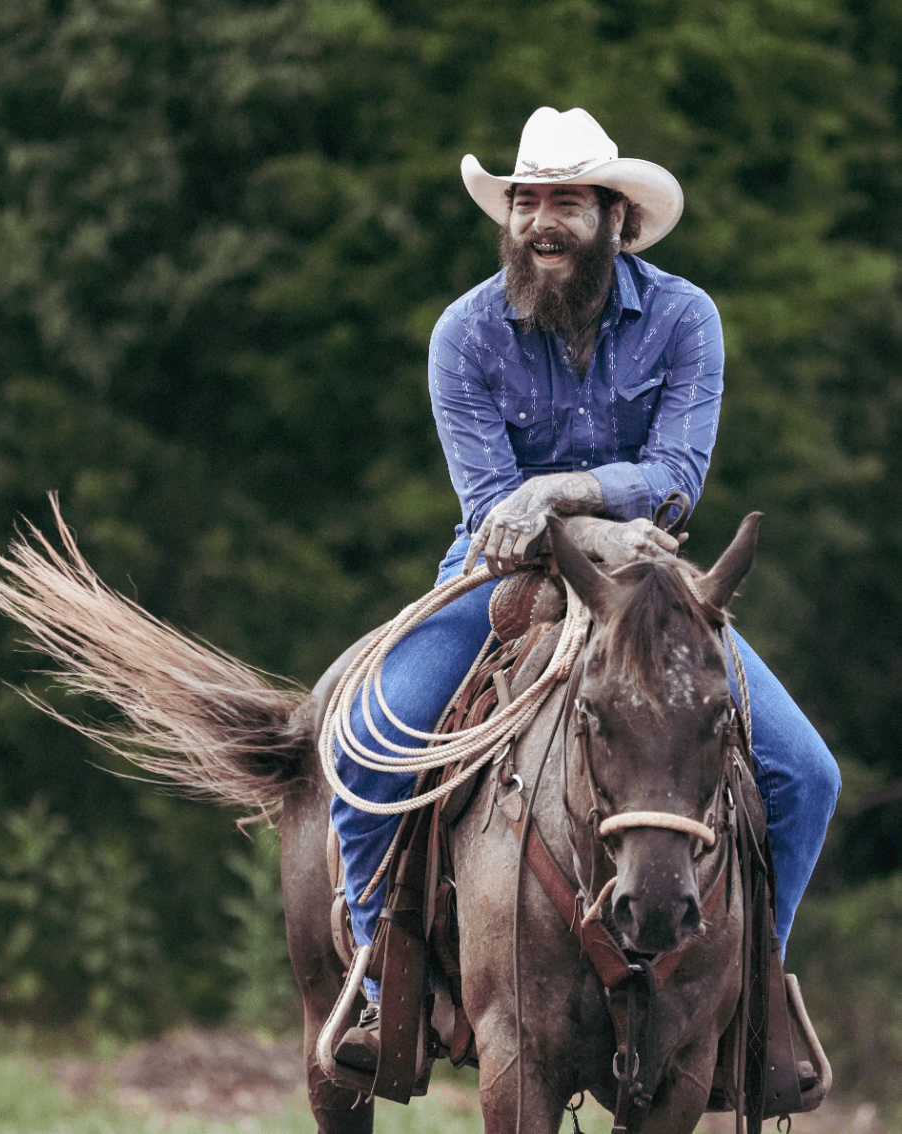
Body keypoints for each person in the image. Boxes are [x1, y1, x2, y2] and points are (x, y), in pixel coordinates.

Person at [331, 107, 841, 1071]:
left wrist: (567, 491)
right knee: (368, 750)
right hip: (496, 575)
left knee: (806, 775)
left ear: (617, 217)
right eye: (525, 202)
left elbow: (680, 471)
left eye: (565, 200)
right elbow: (493, 511)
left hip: (649, 583)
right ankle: (379, 980)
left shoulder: (686, 317)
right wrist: (585, 518)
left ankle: (752, 989)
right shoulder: (465, 333)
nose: (540, 222)